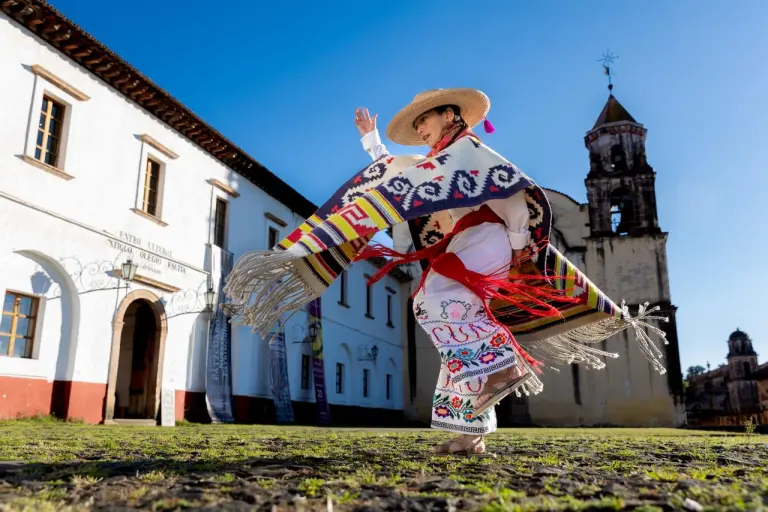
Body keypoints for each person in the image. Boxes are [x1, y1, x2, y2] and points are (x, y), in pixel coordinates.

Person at [224, 88, 669, 458]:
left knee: (433, 302)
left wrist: (518, 254)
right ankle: (470, 432)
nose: (419, 128)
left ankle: (505, 365)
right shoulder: (438, 163)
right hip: (467, 245)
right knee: (452, 329)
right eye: (416, 123)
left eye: (425, 119)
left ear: (450, 114)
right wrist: (372, 143)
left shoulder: (468, 150)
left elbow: (512, 199)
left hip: (490, 239)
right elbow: (397, 184)